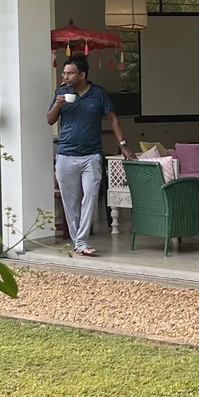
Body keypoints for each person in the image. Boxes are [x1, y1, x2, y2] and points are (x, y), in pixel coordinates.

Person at [46, 54, 132, 257]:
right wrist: (57, 104)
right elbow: (49, 120)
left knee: (90, 197)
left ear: (82, 75)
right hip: (66, 155)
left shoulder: (98, 94)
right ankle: (80, 243)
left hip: (91, 156)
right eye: (64, 73)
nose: (65, 76)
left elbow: (113, 120)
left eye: (70, 73)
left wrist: (123, 145)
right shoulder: (61, 92)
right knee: (71, 202)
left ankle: (81, 241)